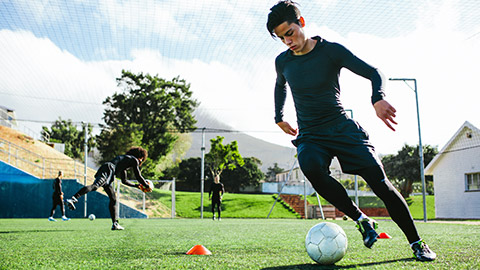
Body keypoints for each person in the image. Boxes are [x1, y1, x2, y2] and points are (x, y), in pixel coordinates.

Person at [266, 1, 436, 262]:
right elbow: (280, 86)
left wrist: (377, 98)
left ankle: (417, 243)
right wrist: (279, 117)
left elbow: (374, 72)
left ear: (301, 23)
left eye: (289, 32)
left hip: (342, 128)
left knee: (381, 185)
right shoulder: (283, 62)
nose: (287, 41)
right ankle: (361, 219)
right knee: (310, 166)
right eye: (281, 38)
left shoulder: (330, 51)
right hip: (311, 134)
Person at [66, 146, 151, 230]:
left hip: (108, 171)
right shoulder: (134, 160)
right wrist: (147, 185)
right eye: (142, 160)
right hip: (108, 170)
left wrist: (136, 186)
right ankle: (73, 198)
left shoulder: (124, 164)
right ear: (140, 157)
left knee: (113, 199)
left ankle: (115, 224)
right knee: (95, 186)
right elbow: (138, 176)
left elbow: (124, 181)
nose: (140, 162)